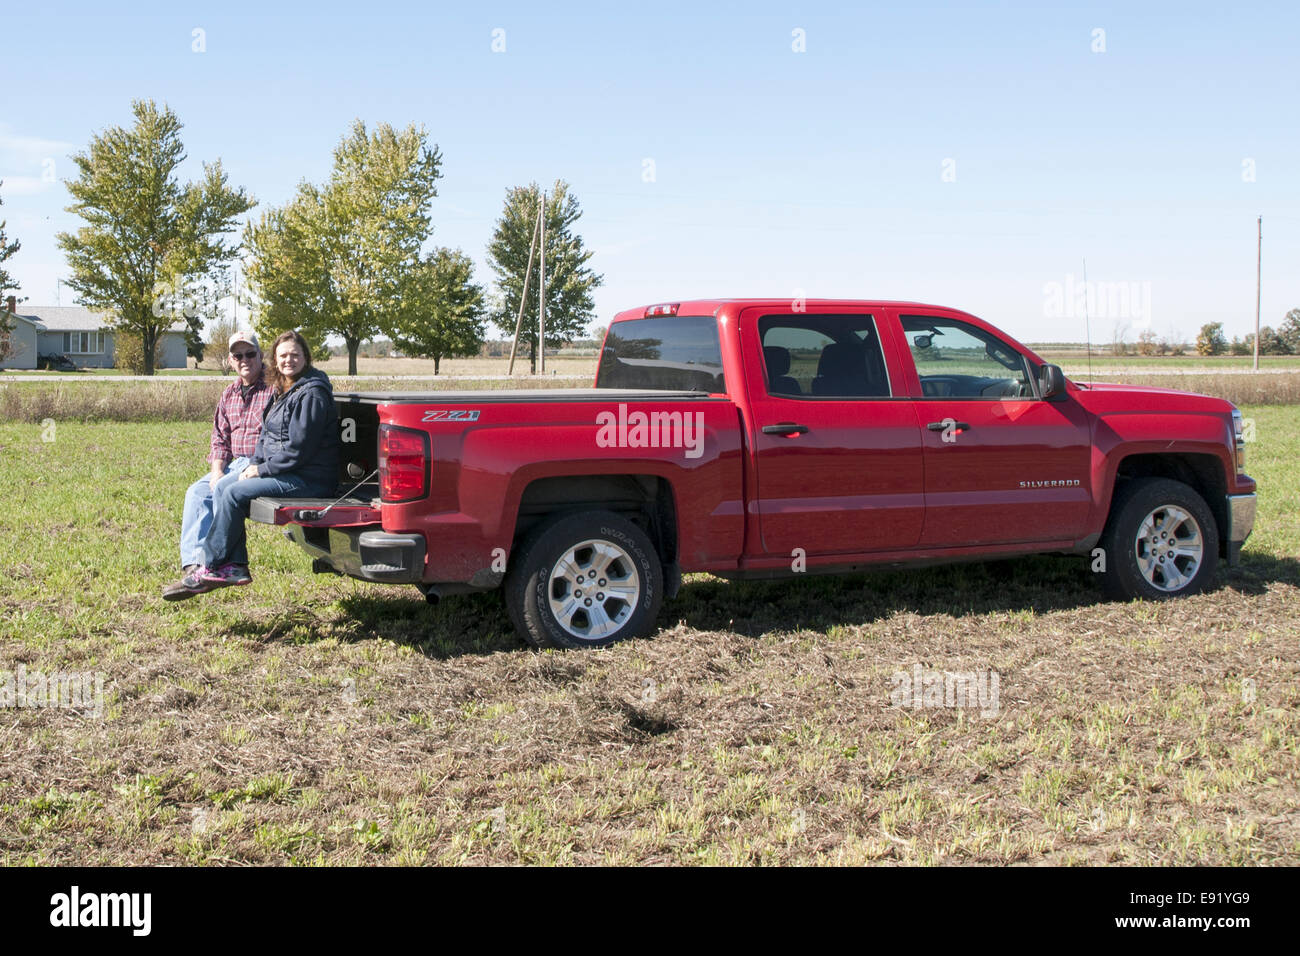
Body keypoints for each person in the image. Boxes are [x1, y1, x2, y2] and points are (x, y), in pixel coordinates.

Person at [164, 330, 340, 600]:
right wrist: (255, 462)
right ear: (275, 358)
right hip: (285, 469)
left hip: (308, 477)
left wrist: (260, 468)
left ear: (306, 356)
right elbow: (264, 437)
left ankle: (212, 564)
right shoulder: (285, 389)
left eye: (295, 354)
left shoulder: (310, 394)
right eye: (283, 355)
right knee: (220, 488)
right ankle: (233, 566)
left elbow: (299, 450)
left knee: (232, 491)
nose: (288, 360)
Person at [177, 331, 273, 575]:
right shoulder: (228, 394)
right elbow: (219, 439)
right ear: (230, 360)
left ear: (260, 356)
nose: (244, 360)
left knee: (224, 490)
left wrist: (252, 467)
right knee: (197, 492)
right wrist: (216, 471)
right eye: (238, 355)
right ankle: (193, 564)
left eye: (250, 354)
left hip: (257, 463)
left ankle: (223, 563)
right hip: (233, 463)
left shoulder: (273, 390)